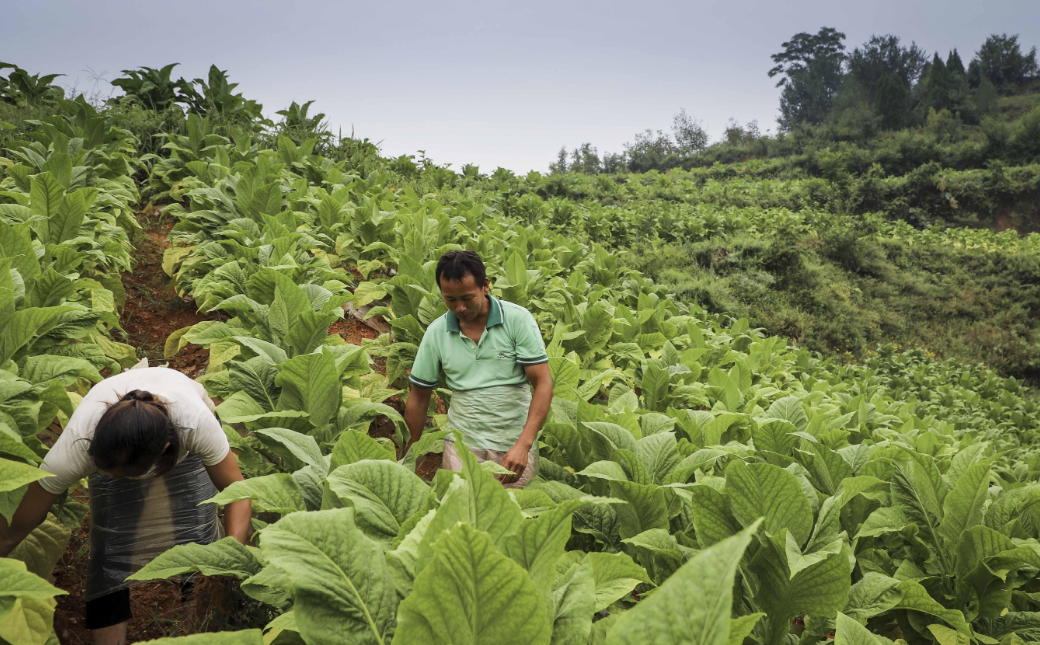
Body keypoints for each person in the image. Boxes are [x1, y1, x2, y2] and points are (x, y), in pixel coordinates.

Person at [0, 366, 251, 645]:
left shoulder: (194, 423)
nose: (116, 478)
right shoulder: (77, 446)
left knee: (198, 541)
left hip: (182, 445)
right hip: (123, 447)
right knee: (110, 553)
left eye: (124, 474)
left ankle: (202, 632)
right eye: (108, 470)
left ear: (165, 452)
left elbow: (237, 492)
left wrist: (229, 563)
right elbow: (14, 528)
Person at [404, 250, 553, 488]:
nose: (460, 308)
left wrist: (524, 444)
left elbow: (543, 383)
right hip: (461, 447)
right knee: (461, 515)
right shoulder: (437, 332)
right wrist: (411, 452)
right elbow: (419, 397)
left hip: (513, 447)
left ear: (485, 286)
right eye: (450, 300)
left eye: (467, 298)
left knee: (515, 519)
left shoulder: (517, 320)